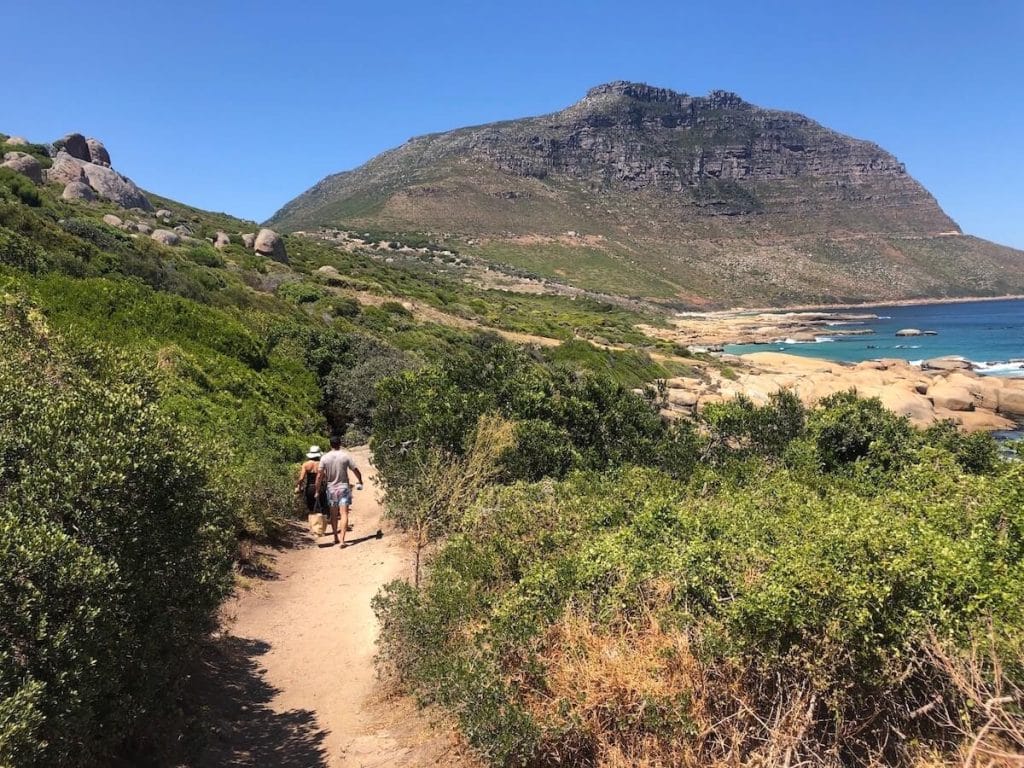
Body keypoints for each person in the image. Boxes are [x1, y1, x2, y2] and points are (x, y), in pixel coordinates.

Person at [315, 435, 363, 547]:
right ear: (340, 444)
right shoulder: (345, 456)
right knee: (344, 513)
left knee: (333, 514)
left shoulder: (325, 458)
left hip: (331, 488)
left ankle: (335, 537)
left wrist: (317, 490)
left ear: (330, 444)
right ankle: (342, 540)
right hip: (343, 487)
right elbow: (355, 470)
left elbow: (319, 476)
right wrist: (360, 480)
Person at [295, 445, 324, 514]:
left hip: (310, 488)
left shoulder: (305, 464)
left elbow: (301, 478)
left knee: (311, 508)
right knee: (322, 508)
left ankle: (312, 522)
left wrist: (299, 486)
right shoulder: (322, 464)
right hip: (320, 487)